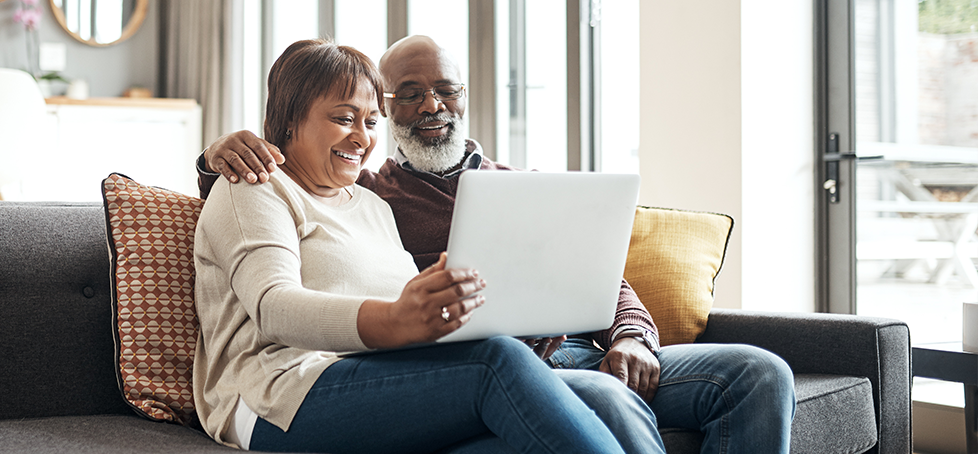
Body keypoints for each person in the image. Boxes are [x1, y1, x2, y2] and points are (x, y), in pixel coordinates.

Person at [196, 35, 797, 454]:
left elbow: (588, 272)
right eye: (343, 117)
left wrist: (630, 333)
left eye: (369, 119)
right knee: (507, 362)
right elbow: (273, 302)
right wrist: (215, 157)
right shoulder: (255, 184)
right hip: (280, 392)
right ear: (290, 118)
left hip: (409, 373)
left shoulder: (370, 205)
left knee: (750, 372)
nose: (362, 135)